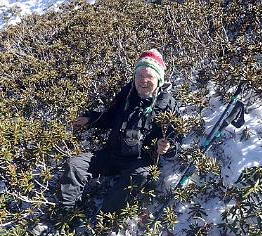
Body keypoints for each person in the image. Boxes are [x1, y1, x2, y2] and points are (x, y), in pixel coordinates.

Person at [58, 49, 180, 213]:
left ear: (159, 78)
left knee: (139, 176)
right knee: (74, 165)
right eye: (139, 75)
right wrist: (90, 119)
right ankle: (66, 214)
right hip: (111, 154)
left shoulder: (168, 105)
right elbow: (110, 117)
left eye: (149, 76)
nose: (143, 80)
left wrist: (166, 147)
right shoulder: (127, 94)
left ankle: (104, 220)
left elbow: (175, 141)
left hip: (139, 162)